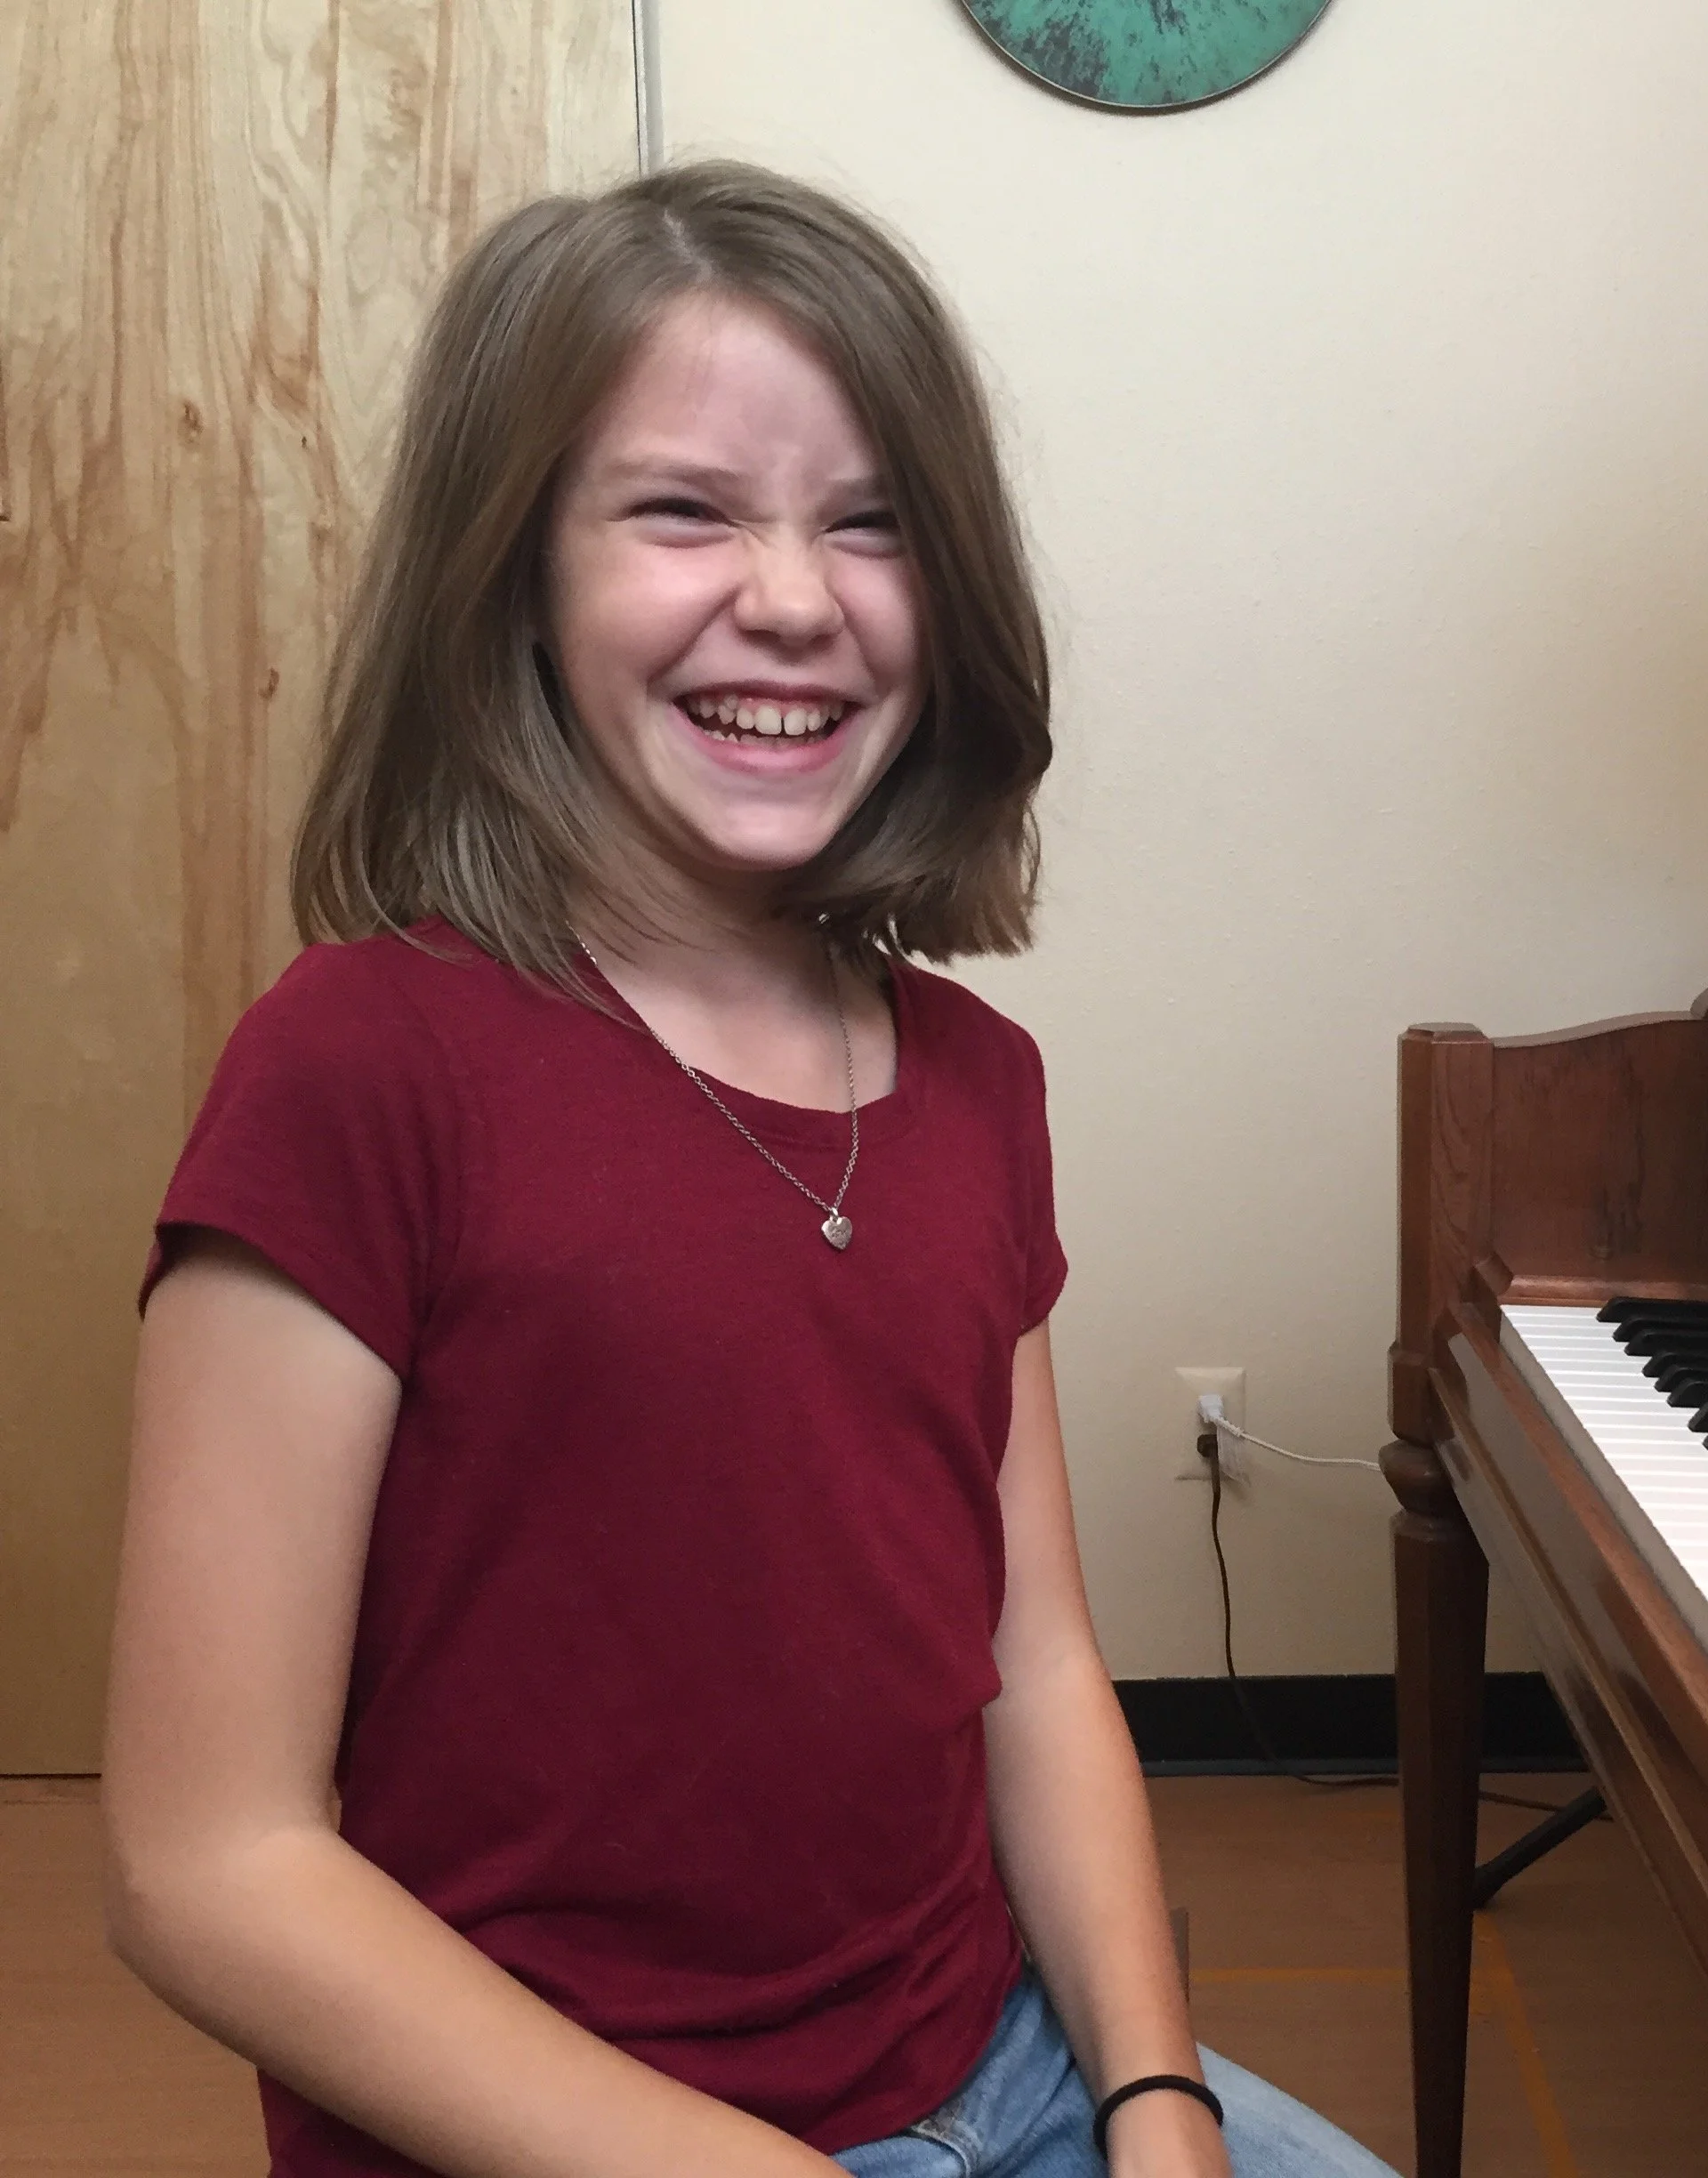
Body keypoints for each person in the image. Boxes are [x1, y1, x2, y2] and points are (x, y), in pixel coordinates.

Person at [101, 163, 1398, 2178]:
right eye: (685, 508)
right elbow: (211, 1863)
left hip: (1009, 2074)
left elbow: (1031, 1658)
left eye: (870, 522)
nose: (794, 597)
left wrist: (1154, 2096)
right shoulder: (359, 1067)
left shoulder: (979, 1085)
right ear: (510, 570)